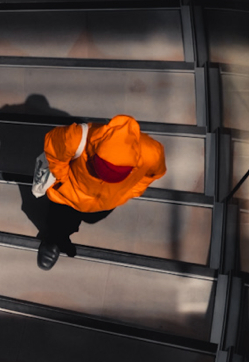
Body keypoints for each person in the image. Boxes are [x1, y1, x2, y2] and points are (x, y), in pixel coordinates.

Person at [31, 114, 166, 270]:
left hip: (107, 200)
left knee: (92, 218)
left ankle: (61, 234)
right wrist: (62, 178)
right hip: (69, 196)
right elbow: (53, 148)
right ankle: (52, 240)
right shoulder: (77, 137)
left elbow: (155, 173)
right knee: (58, 222)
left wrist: (132, 191)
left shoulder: (151, 152)